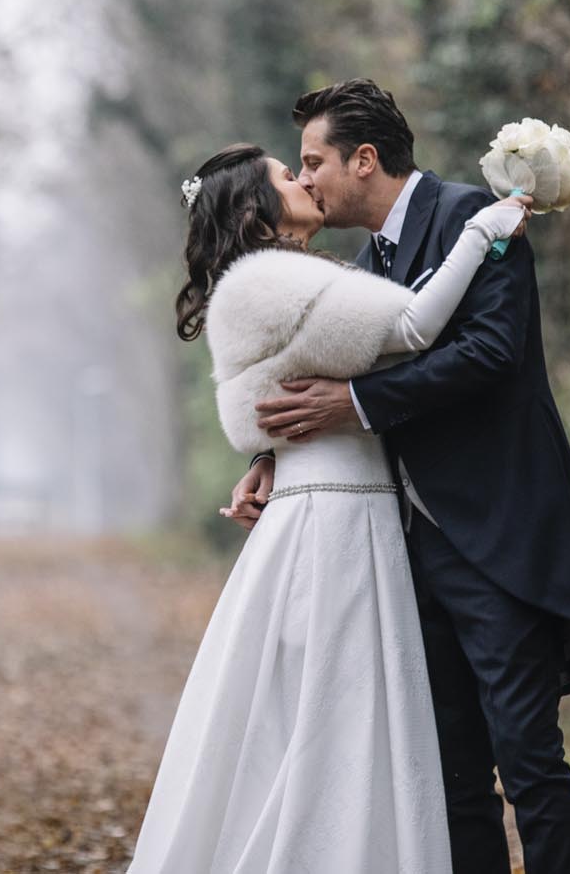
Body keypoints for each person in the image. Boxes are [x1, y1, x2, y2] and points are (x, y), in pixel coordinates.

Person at [234, 80, 570, 874]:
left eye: (313, 162)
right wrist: (271, 455)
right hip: (405, 555)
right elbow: (304, 371)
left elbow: (489, 353)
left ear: (364, 159)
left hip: (498, 539)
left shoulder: (483, 216)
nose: (303, 181)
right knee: (453, 776)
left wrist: (357, 402)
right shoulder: (361, 261)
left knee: (529, 761)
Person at [125, 141, 529, 874]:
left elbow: (302, 381)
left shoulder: (299, 278)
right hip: (336, 523)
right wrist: (483, 232)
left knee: (353, 721)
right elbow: (410, 327)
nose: (306, 178)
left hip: (352, 508)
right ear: (256, 207)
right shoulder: (269, 278)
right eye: (289, 172)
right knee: (330, 719)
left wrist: (267, 458)